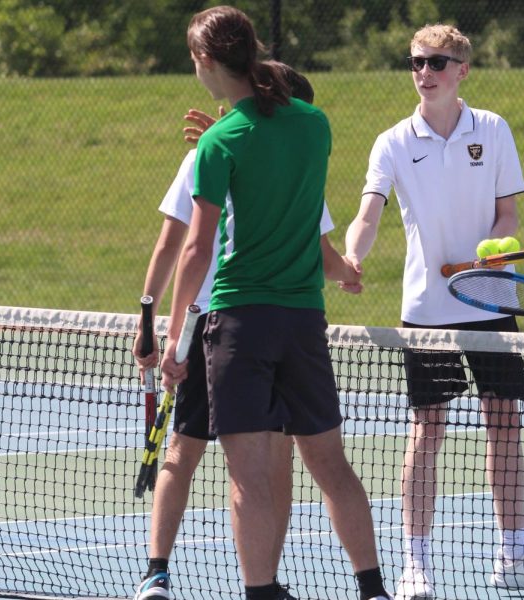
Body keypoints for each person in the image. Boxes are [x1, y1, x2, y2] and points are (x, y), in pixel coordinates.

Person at [159, 6, 390, 600]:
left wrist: (175, 336)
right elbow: (310, 231)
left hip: (240, 324)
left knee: (248, 475)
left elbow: (196, 249)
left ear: (206, 61)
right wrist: (342, 272)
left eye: (193, 58)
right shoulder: (315, 125)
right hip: (303, 321)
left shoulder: (218, 142)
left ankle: (260, 592)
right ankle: (372, 589)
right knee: (332, 466)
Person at [343, 23, 524, 600]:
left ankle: (514, 554)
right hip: (426, 309)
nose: (425, 72)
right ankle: (415, 565)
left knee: (505, 425)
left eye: (438, 63)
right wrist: (351, 256)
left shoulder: (491, 130)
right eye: (417, 62)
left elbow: (508, 217)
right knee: (428, 429)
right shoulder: (393, 141)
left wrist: (489, 255)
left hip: (491, 300)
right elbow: (369, 213)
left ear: (463, 69)